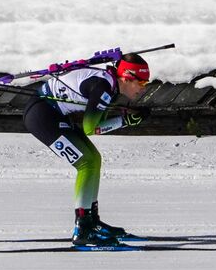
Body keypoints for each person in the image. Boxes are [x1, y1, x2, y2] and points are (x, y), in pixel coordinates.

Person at [21, 53, 152, 247]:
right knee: (86, 162)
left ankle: (91, 221)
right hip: (42, 116)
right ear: (127, 78)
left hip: (50, 112)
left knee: (94, 159)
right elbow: (91, 128)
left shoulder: (110, 85)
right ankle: (82, 228)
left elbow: (97, 118)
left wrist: (124, 118)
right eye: (141, 84)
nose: (143, 89)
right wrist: (124, 121)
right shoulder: (104, 88)